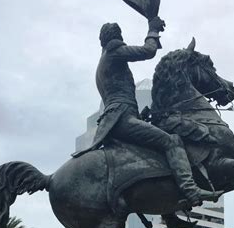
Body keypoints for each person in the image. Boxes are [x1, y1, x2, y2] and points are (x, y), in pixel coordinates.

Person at [74, 16, 219, 209]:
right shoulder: (113, 52)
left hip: (120, 117)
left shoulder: (104, 62)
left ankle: (170, 214)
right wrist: (152, 29)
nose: (122, 40)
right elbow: (148, 51)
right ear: (115, 38)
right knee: (171, 141)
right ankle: (191, 191)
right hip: (122, 118)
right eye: (120, 36)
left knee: (153, 156)